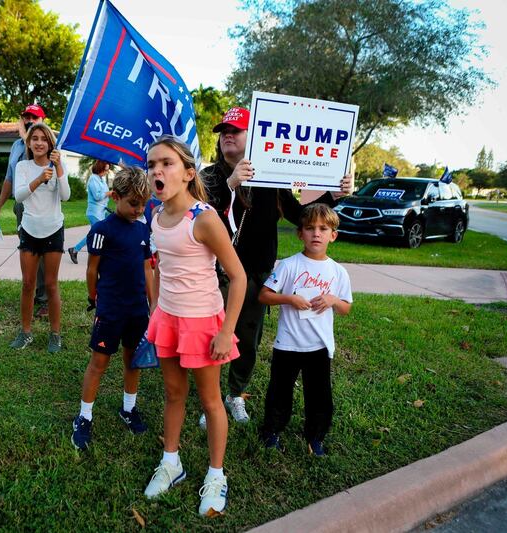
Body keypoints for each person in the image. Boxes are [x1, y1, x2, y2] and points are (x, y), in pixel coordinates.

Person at [198, 107, 353, 427]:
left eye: (236, 130)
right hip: (218, 274)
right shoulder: (209, 176)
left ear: (251, 137)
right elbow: (201, 216)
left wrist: (334, 195)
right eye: (223, 130)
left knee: (248, 339)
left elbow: (300, 215)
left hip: (256, 275)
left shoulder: (271, 175)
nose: (227, 134)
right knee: (214, 336)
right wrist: (230, 184)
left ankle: (235, 395)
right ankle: (210, 401)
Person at [143, 135, 246, 517]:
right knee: (173, 393)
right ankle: (172, 463)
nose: (157, 170)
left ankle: (216, 475)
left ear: (188, 173)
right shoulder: (155, 216)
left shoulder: (203, 218)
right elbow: (161, 268)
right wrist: (156, 310)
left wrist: (225, 331)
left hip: (203, 322)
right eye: (152, 163)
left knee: (210, 400)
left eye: (166, 163)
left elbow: (238, 277)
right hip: (169, 319)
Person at [258, 204, 352, 456]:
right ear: (300, 234)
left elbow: (345, 308)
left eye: (323, 229)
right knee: (279, 392)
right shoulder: (289, 265)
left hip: (319, 346)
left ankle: (316, 436)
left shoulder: (338, 272)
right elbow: (264, 296)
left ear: (333, 235)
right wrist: (290, 299)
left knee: (319, 396)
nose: (316, 234)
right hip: (288, 343)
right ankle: (272, 431)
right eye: (310, 228)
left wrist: (333, 300)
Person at [70, 166, 154, 451]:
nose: (138, 209)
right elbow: (92, 270)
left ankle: (128, 408)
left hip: (136, 311)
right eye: (133, 203)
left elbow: (147, 269)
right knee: (99, 362)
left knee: (133, 361)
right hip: (110, 310)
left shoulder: (144, 230)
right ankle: (84, 416)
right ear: (116, 197)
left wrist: (152, 304)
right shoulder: (101, 229)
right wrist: (94, 298)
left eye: (143, 204)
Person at [10, 123, 70, 352]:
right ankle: (26, 333)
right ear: (29, 143)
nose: (38, 142)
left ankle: (55, 335)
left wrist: (59, 169)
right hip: (29, 229)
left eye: (43, 139)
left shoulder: (57, 166)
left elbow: (65, 196)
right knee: (28, 285)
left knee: (52, 285)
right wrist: (37, 180)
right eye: (34, 138)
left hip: (53, 228)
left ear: (50, 144)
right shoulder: (23, 166)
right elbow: (19, 195)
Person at [0, 104, 49, 318]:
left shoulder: (47, 146)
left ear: (43, 120)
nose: (29, 120)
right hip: (21, 206)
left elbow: (36, 165)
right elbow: (10, 179)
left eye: (34, 117)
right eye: (26, 117)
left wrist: (28, 139)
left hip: (42, 205)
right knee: (28, 250)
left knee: (42, 252)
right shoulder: (16, 146)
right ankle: (31, 292)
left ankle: (44, 299)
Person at [67, 160, 112, 264]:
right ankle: (75, 250)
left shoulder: (101, 179)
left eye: (107, 170)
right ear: (100, 168)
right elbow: (97, 196)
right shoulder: (93, 179)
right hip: (94, 213)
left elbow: (104, 195)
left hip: (102, 212)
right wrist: (109, 193)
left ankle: (75, 249)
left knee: (98, 234)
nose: (106, 172)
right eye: (105, 170)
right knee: (96, 234)